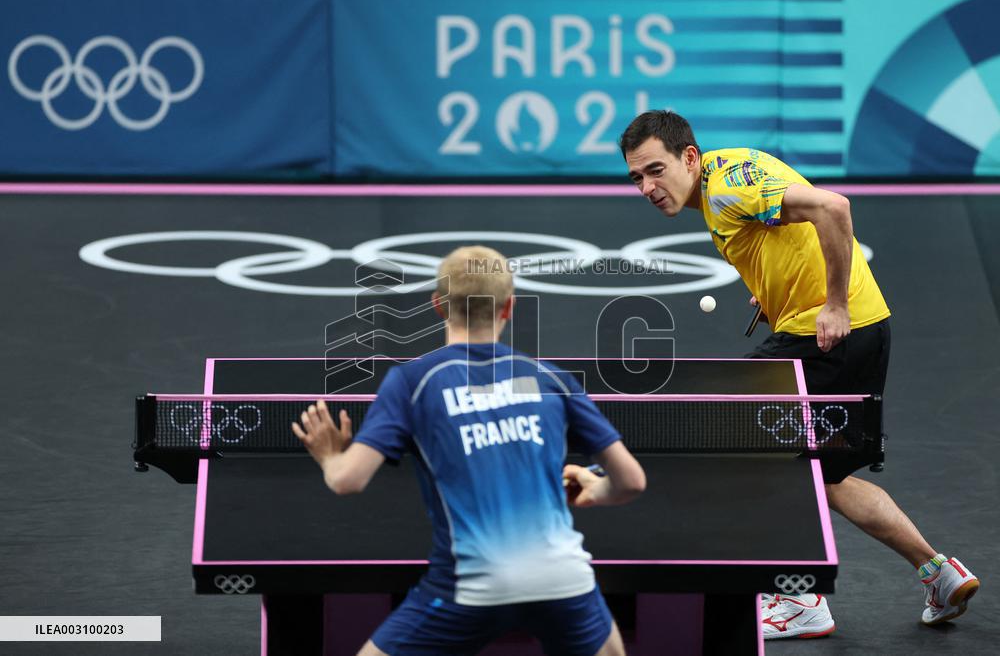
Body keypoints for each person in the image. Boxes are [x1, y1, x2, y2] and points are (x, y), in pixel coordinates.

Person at [618, 111, 979, 639]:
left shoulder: (725, 190)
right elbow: (789, 230)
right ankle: (938, 573)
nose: (647, 187)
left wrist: (832, 304)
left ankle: (799, 598)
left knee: (732, 436)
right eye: (636, 178)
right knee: (826, 476)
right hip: (863, 327)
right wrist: (774, 289)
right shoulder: (729, 173)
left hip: (827, 332)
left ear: (688, 157)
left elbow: (833, 208)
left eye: (655, 170)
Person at [292, 245, 647, 656]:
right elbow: (631, 482)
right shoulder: (552, 378)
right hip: (562, 580)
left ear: (438, 305)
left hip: (472, 586)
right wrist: (592, 487)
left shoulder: (413, 382)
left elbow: (347, 481)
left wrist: (329, 455)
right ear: (509, 307)